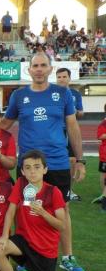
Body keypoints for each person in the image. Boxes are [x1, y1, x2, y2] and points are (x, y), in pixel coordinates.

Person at [0, 54, 85, 271]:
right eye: (34, 66)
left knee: (62, 209)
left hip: (56, 162)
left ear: (50, 68)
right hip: (28, 166)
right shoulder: (19, 96)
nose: (38, 69)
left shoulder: (63, 94)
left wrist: (80, 159)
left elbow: (73, 127)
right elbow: (5, 124)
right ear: (29, 70)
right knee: (23, 209)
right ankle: (23, 257)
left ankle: (66, 257)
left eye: (43, 65)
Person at [0, 150, 66, 271]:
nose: (33, 171)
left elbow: (62, 226)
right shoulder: (20, 185)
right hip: (24, 241)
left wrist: (43, 212)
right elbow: (11, 211)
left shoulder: (54, 192)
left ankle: (36, 270)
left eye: (37, 167)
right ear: (23, 172)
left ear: (45, 169)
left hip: (45, 249)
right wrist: (5, 236)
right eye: (28, 167)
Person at [55, 68, 84, 202]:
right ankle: (51, 189)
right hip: (56, 131)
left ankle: (69, 190)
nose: (61, 79)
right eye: (59, 77)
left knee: (72, 160)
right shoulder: (52, 93)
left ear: (69, 78)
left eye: (64, 76)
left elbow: (81, 112)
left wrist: (75, 112)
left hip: (70, 131)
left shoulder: (75, 94)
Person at [95, 104, 106, 211]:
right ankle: (103, 196)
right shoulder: (104, 123)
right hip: (105, 155)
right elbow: (100, 135)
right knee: (104, 175)